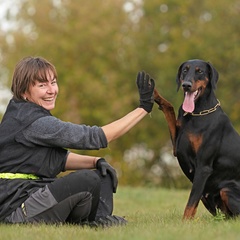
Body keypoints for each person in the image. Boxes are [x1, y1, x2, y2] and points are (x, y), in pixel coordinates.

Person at [0, 56, 155, 227]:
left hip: (31, 192)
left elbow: (57, 159)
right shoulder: (32, 121)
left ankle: (97, 222)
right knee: (87, 180)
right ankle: (97, 222)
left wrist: (96, 162)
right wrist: (143, 108)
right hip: (15, 208)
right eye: (42, 85)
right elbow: (95, 137)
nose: (51, 90)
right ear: (24, 91)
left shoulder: (24, 112)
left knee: (101, 175)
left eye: (53, 82)